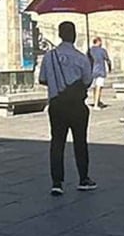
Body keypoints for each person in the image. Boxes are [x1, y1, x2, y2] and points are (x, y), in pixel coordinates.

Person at [38, 21, 95, 196]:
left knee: (57, 142)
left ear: (60, 34)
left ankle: (57, 182)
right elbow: (87, 81)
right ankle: (83, 178)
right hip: (77, 105)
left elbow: (42, 79)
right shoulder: (81, 57)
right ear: (74, 34)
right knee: (80, 142)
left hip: (57, 104)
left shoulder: (49, 57)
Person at [88, 36, 111, 109]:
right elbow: (108, 60)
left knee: (95, 87)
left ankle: (96, 101)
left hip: (92, 71)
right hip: (100, 71)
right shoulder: (102, 50)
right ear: (99, 42)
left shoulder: (90, 50)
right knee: (99, 87)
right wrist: (110, 68)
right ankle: (96, 105)